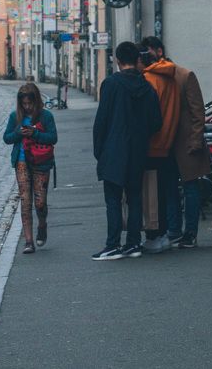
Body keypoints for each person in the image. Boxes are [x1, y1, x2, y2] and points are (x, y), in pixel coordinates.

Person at [91, 41, 162, 261]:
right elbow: (156, 122)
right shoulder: (147, 87)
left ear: (118, 60)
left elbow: (101, 120)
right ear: (137, 60)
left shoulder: (111, 84)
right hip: (138, 149)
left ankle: (113, 244)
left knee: (113, 199)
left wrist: (99, 150)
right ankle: (133, 243)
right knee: (134, 198)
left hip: (114, 148)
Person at [143, 37, 209, 249]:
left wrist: (196, 139)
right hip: (166, 141)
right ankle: (174, 230)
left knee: (190, 187)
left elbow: (197, 110)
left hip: (186, 141)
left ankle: (190, 233)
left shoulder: (184, 75)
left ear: (159, 52)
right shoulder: (150, 77)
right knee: (169, 188)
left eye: (149, 52)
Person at [138, 37, 181, 254]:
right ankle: (167, 233)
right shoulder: (170, 76)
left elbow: (148, 116)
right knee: (166, 191)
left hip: (152, 144)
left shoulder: (149, 80)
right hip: (169, 141)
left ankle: (155, 235)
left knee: (152, 194)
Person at [3, 83, 58, 254]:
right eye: (24, 104)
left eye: (30, 104)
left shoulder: (45, 116)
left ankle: (42, 225)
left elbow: (53, 138)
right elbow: (7, 138)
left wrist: (35, 133)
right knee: (25, 201)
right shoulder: (15, 117)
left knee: (40, 202)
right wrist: (19, 132)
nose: (27, 107)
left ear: (36, 102)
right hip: (21, 162)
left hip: (41, 161)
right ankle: (28, 241)